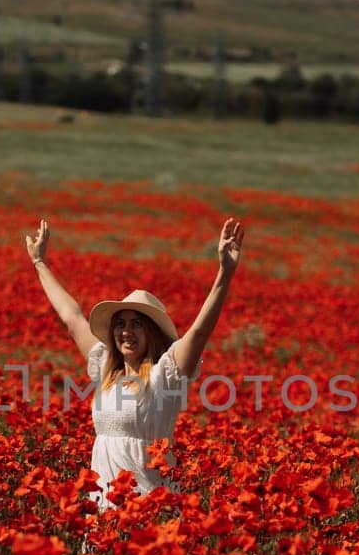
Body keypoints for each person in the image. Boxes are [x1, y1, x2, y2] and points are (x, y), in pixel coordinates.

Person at [26, 216, 245, 512]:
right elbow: (72, 317)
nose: (126, 331)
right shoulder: (105, 366)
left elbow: (199, 333)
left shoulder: (165, 374)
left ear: (152, 332)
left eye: (137, 325)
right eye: (121, 323)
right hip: (103, 503)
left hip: (148, 505)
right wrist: (39, 262)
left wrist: (225, 273)